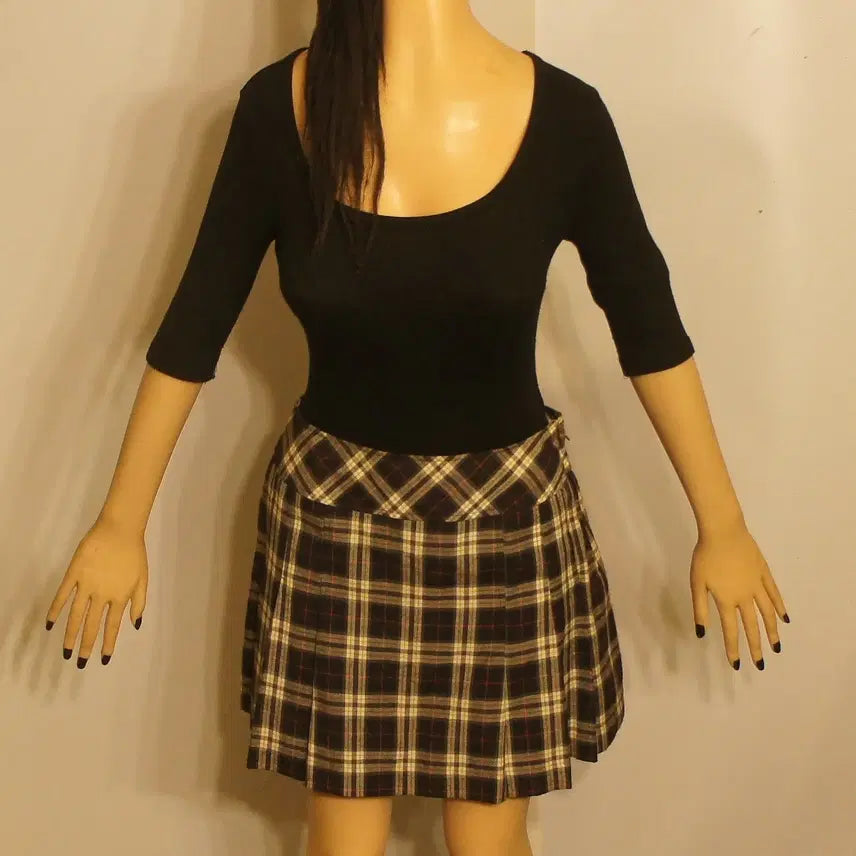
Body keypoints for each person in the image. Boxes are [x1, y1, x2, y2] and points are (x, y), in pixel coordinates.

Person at [44, 3, 790, 855]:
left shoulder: (566, 118)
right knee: (342, 838)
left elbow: (650, 330)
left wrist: (724, 524)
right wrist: (119, 521)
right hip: (334, 522)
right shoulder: (279, 112)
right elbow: (192, 330)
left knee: (488, 840)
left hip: (509, 528)